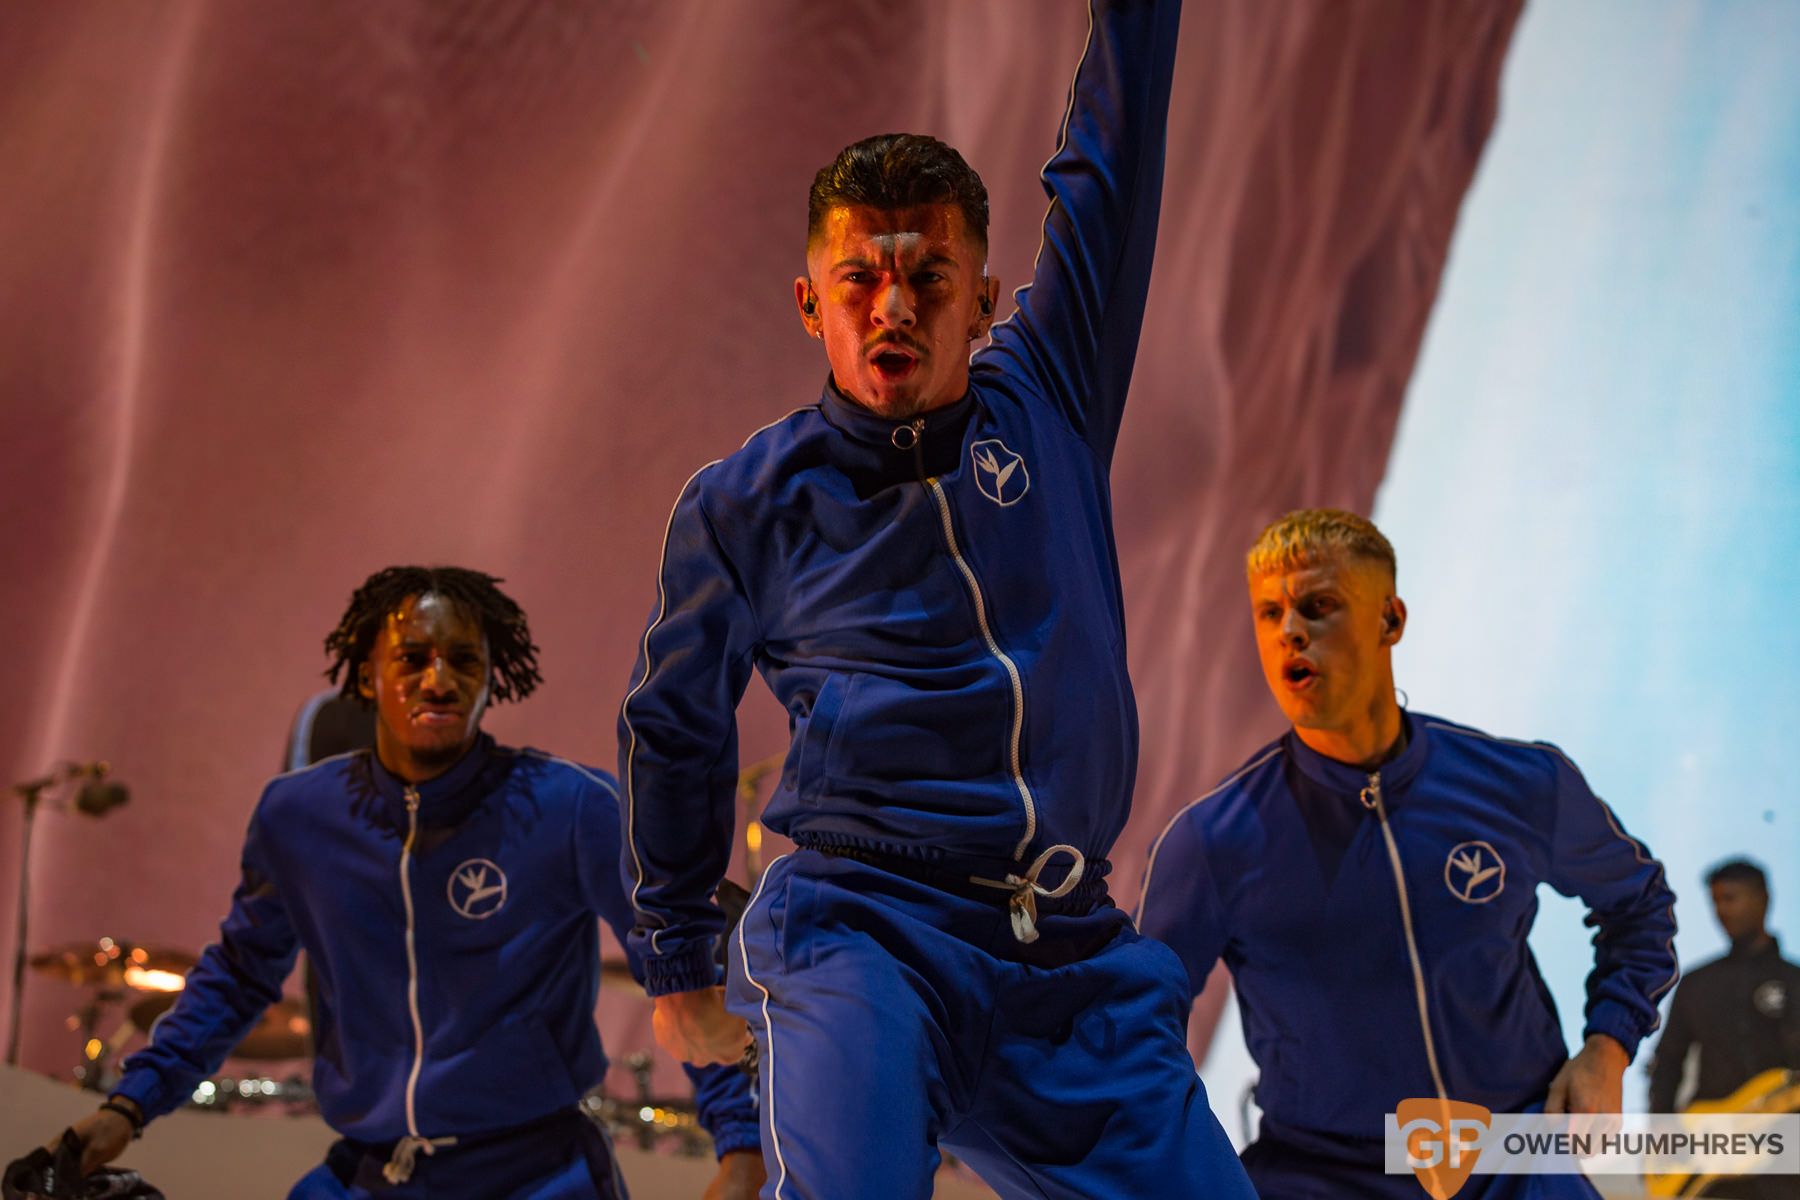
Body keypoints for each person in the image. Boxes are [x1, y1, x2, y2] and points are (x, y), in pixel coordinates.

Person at [617, 2, 1254, 1196]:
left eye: (928, 277)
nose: (893, 307)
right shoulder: (746, 502)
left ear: (984, 298)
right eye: (858, 279)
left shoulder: (1048, 394)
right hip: (866, 934)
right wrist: (676, 956)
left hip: (1069, 958)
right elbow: (675, 725)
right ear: (810, 303)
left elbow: (1111, 161)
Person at [30, 566, 762, 1199]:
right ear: (366, 675)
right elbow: (238, 978)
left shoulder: (571, 807)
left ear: (492, 677)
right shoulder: (297, 817)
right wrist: (128, 1107)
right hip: (366, 1174)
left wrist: (742, 1151)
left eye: (464, 661)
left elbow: (679, 972)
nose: (438, 680)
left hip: (542, 1174)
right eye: (412, 658)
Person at [1137, 509, 1679, 1198]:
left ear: (1389, 620)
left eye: (1318, 606)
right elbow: (1136, 1033)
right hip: (1321, 1178)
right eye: (1269, 613)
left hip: (1519, 1156)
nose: (1290, 631)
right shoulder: (1212, 841)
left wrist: (1608, 1045)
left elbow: (1640, 905)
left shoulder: (1521, 784)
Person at [1647, 859, 1799, 1197]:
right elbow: (1667, 1063)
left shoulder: (1794, 982)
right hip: (1712, 1158)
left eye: (1731, 898)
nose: (1722, 911)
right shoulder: (1698, 983)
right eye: (1716, 900)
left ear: (1762, 899)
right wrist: (1662, 1132)